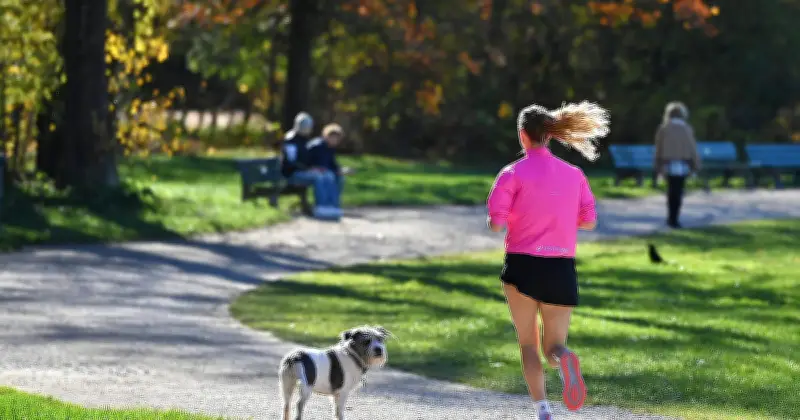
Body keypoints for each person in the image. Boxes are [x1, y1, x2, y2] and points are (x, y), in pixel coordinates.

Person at [486, 101, 609, 420]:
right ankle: (564, 359)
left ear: (523, 136)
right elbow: (589, 221)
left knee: (528, 344)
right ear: (550, 136)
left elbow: (497, 222)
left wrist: (512, 217)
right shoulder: (574, 174)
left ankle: (542, 409)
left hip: (522, 266)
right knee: (553, 347)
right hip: (560, 268)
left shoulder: (512, 172)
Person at [280, 112, 340, 219]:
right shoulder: (291, 140)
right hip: (292, 174)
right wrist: (308, 169)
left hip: (304, 171)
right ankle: (321, 207)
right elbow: (291, 162)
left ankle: (331, 206)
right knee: (319, 177)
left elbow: (307, 159)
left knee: (328, 175)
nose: (309, 129)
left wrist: (315, 167)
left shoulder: (305, 140)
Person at [654, 101, 700, 229]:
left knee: (671, 191)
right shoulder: (686, 129)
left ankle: (670, 217)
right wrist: (696, 164)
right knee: (679, 191)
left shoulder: (663, 128)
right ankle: (675, 218)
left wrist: (657, 165)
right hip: (683, 164)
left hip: (667, 164)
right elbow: (693, 148)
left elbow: (659, 148)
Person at [306, 123, 353, 220]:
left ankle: (334, 205)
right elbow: (318, 164)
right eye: (333, 137)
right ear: (327, 136)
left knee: (340, 178)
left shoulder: (329, 148)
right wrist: (335, 171)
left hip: (324, 171)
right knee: (328, 176)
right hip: (311, 171)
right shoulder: (318, 146)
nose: (335, 140)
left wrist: (341, 170)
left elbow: (332, 165)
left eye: (337, 138)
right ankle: (323, 205)